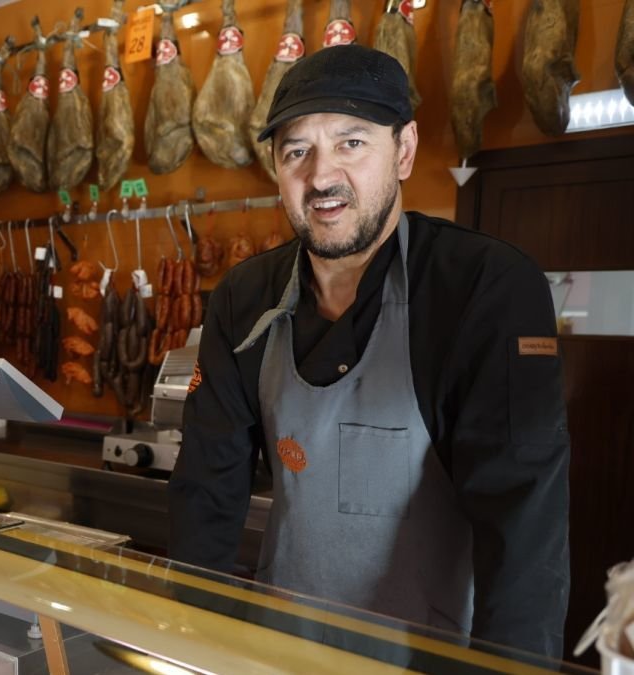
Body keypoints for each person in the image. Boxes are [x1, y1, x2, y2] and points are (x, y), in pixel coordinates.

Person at [169, 44, 570, 658]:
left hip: (430, 660)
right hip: (280, 651)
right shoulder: (242, 298)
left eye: (351, 143)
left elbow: (524, 527)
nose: (320, 177)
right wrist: (191, 645)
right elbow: (206, 492)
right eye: (296, 151)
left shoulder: (484, 287)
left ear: (403, 150)